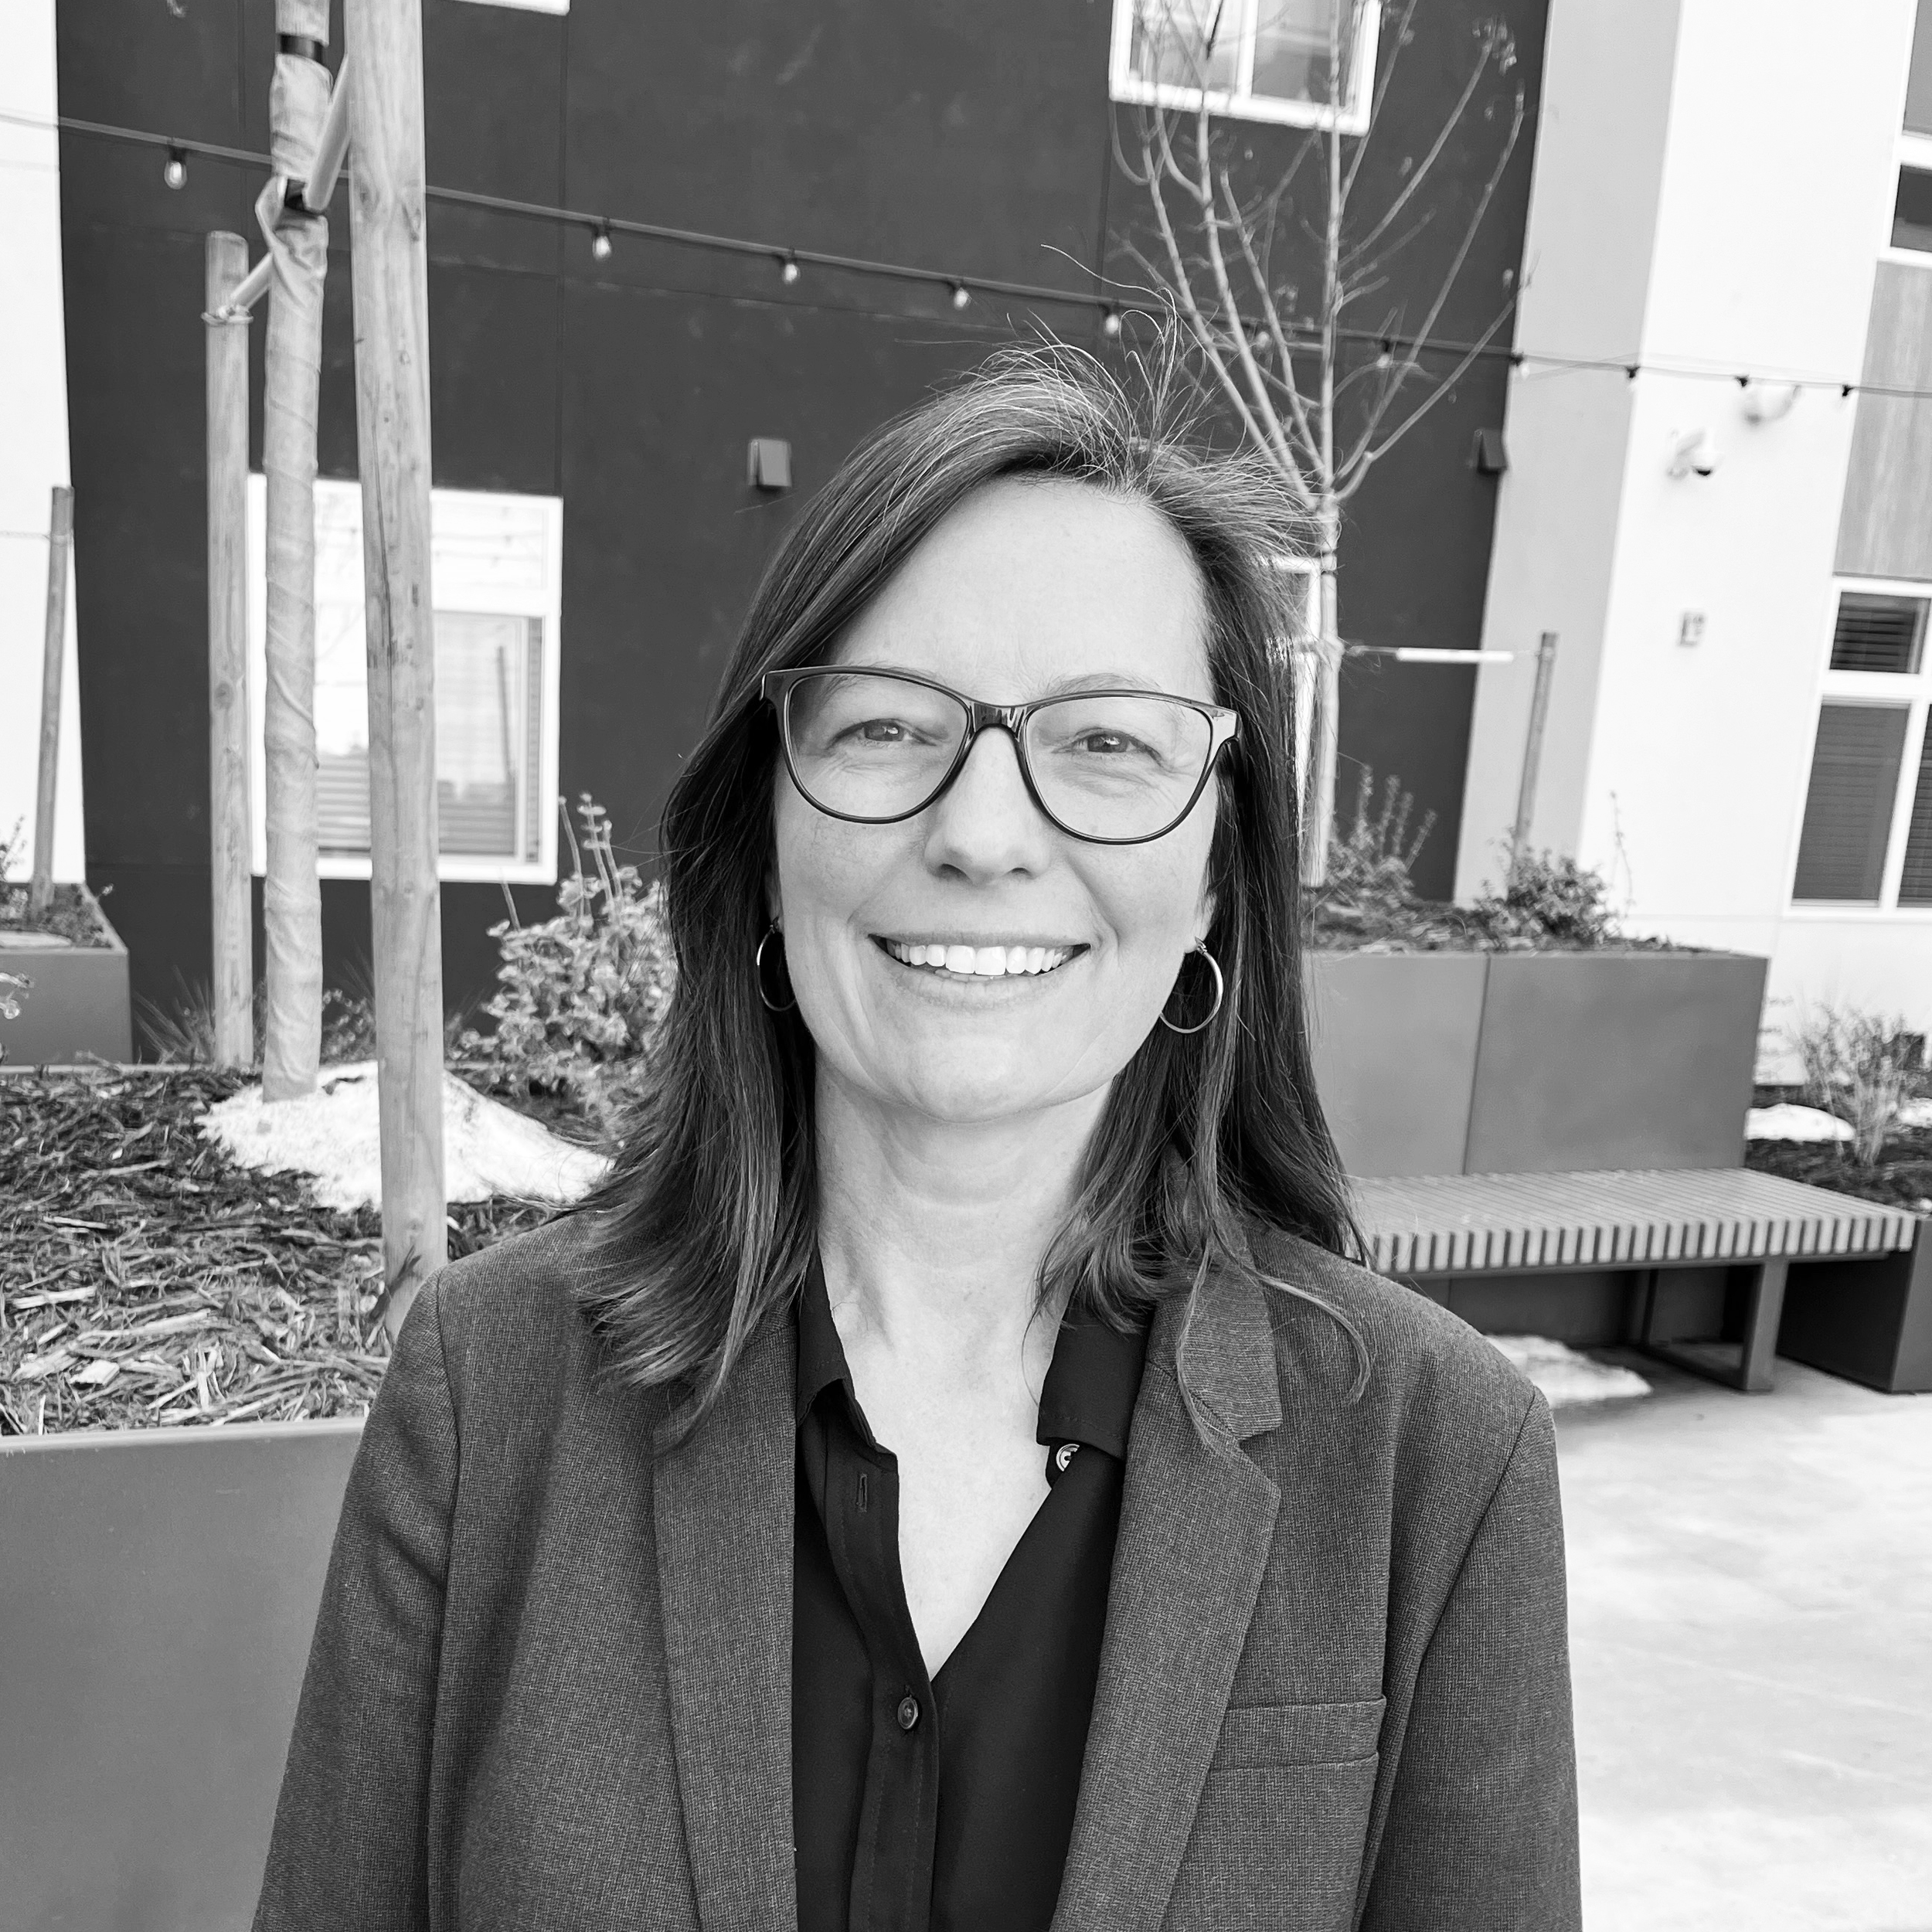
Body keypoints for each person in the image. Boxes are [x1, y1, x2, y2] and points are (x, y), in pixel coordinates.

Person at [252, 348, 1580, 1932]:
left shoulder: (1435, 1456)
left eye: (1106, 742)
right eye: (885, 726)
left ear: (1215, 875)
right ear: (762, 835)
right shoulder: (489, 1394)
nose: (980, 833)